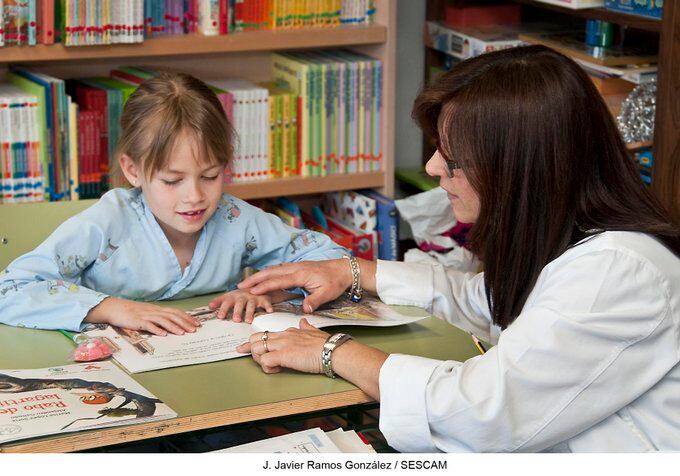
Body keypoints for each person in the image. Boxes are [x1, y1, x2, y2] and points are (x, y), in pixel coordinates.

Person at [235, 45, 680, 452]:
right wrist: (353, 273)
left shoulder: (618, 273)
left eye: (453, 157)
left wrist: (333, 351)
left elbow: (482, 412)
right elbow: (489, 301)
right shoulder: (575, 241)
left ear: (518, 167)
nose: (432, 167)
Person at [0, 72, 347, 335]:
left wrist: (270, 294)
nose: (195, 196)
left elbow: (334, 262)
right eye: (172, 180)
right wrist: (110, 308)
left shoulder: (235, 218)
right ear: (133, 170)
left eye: (210, 176)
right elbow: (11, 289)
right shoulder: (107, 223)